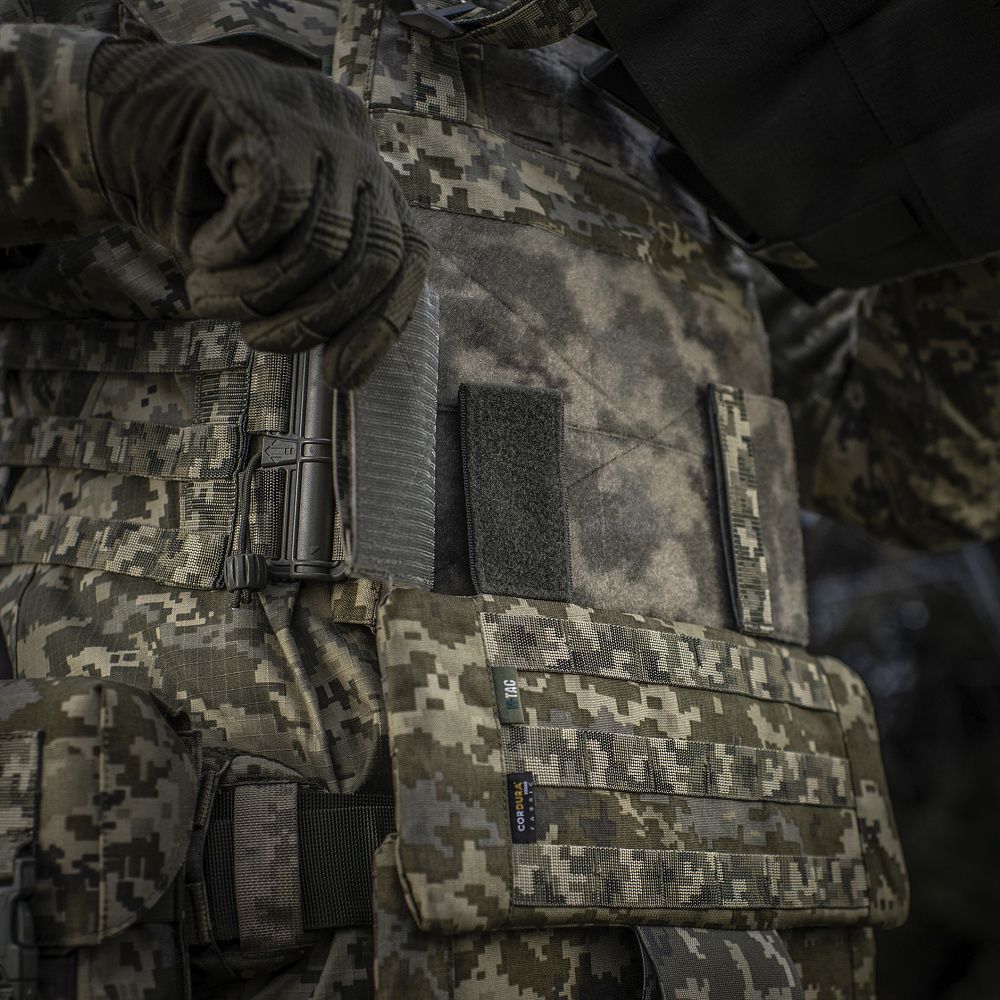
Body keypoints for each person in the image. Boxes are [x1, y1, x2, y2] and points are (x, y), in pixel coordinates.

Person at [2, 1, 967, 998]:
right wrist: (108, 112)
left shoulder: (701, 93)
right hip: (255, 908)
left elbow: (921, 468)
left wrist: (961, 191)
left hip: (729, 942)